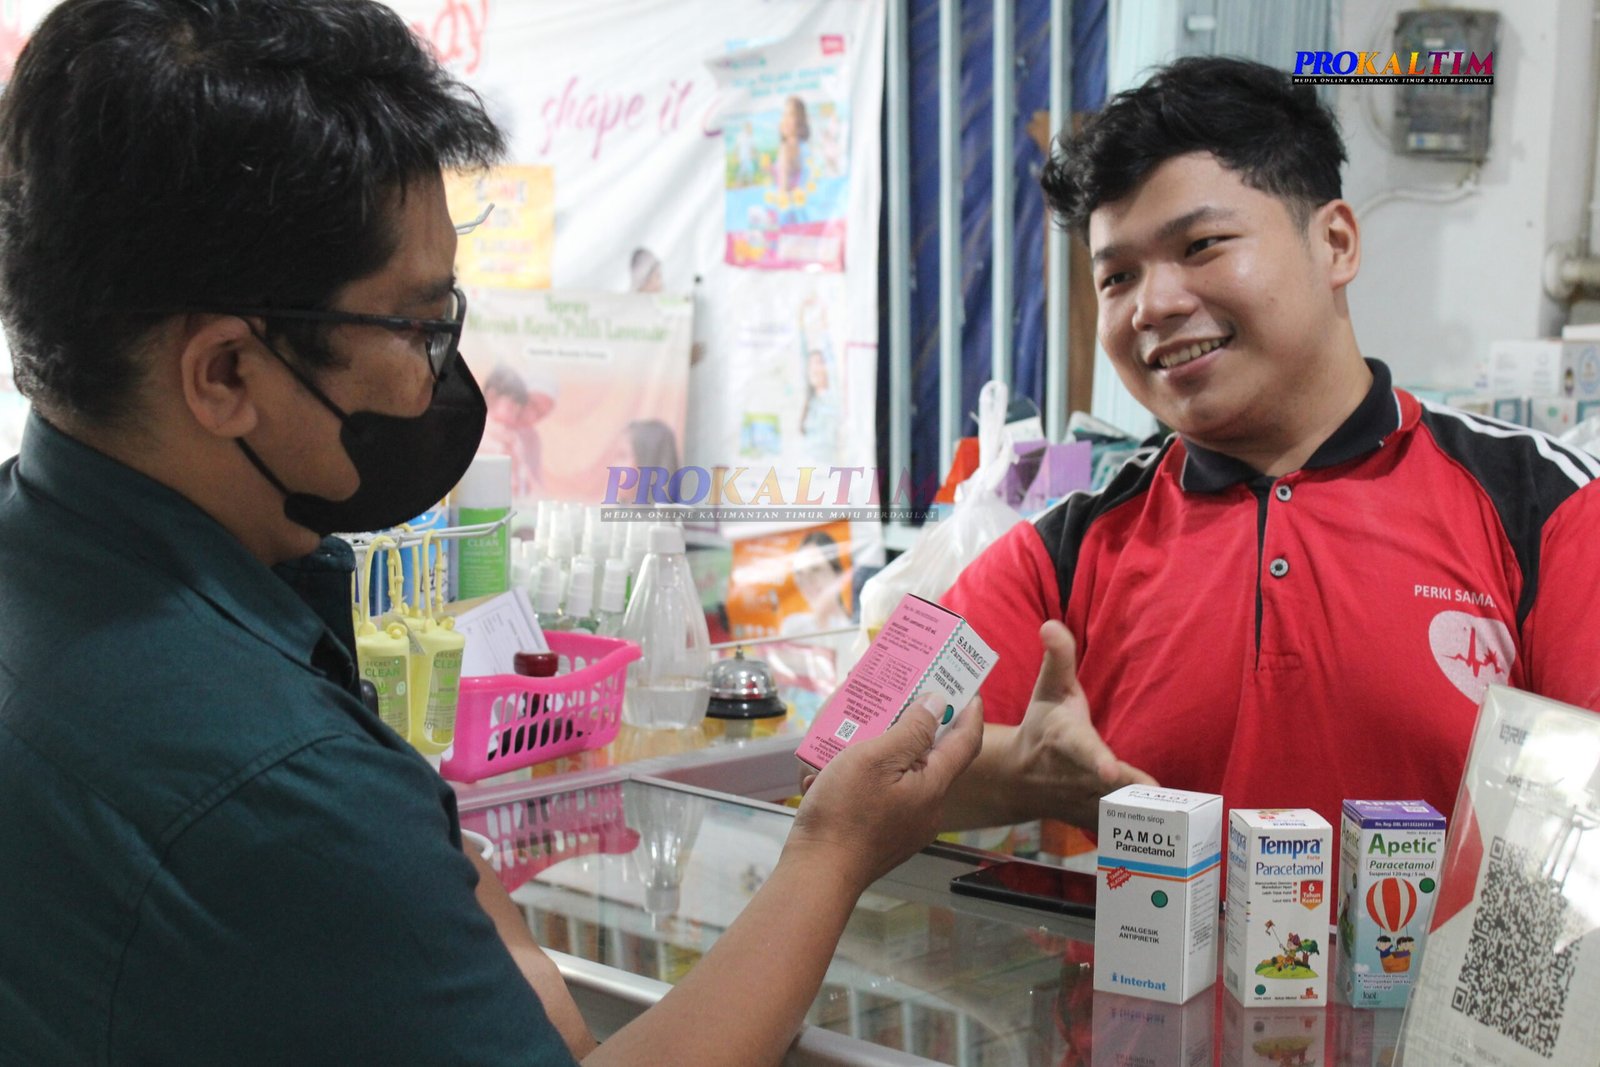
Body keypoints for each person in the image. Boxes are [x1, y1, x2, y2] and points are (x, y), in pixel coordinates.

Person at [0, 3, 983, 1065]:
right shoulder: (278, 784)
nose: (443, 376)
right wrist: (834, 849)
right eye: (419, 326)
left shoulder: (49, 568)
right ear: (228, 373)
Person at [938, 56, 1600, 846]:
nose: (1153, 305)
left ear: (1337, 243)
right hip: (1114, 977)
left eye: (1203, 244)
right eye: (1116, 276)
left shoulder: (1546, 505)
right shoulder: (1068, 549)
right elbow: (842, 762)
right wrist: (1015, 773)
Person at [482, 363, 556, 499]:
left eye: (540, 414)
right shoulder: (482, 427)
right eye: (532, 404)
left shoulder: (530, 439)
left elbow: (532, 485)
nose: (532, 417)